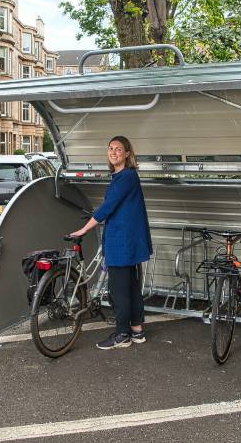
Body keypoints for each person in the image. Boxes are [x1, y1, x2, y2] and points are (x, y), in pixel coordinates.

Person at [70, 136, 152, 350]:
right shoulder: (122, 176)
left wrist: (84, 228)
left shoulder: (126, 176)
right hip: (126, 241)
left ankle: (122, 334)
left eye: (119, 149)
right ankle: (137, 330)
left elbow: (108, 207)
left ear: (127, 153)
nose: (114, 152)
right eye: (110, 148)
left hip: (122, 243)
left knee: (119, 291)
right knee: (131, 288)